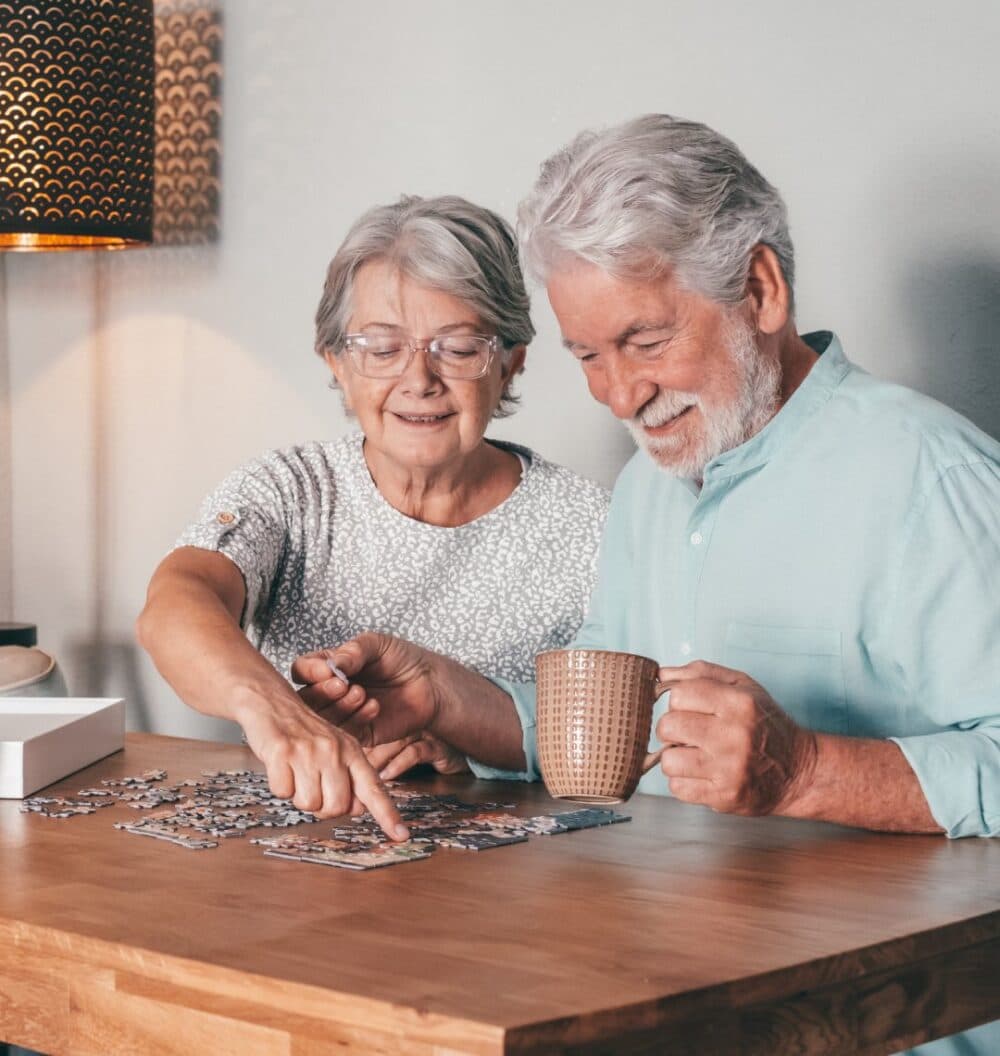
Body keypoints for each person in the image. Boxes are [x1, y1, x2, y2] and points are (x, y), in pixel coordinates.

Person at [294, 117, 999, 1056]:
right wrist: (442, 697)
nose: (620, 396)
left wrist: (809, 770)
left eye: (645, 339)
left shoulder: (934, 478)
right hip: (674, 1005)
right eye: (589, 355)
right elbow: (607, 742)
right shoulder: (649, 488)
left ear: (760, 289)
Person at [136, 194, 609, 839]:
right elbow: (175, 602)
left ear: (511, 360)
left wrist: (475, 755)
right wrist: (279, 713)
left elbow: (626, 753)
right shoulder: (290, 490)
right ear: (337, 362)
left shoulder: (595, 526)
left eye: (458, 347)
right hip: (295, 861)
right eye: (381, 348)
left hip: (522, 896)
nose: (419, 380)